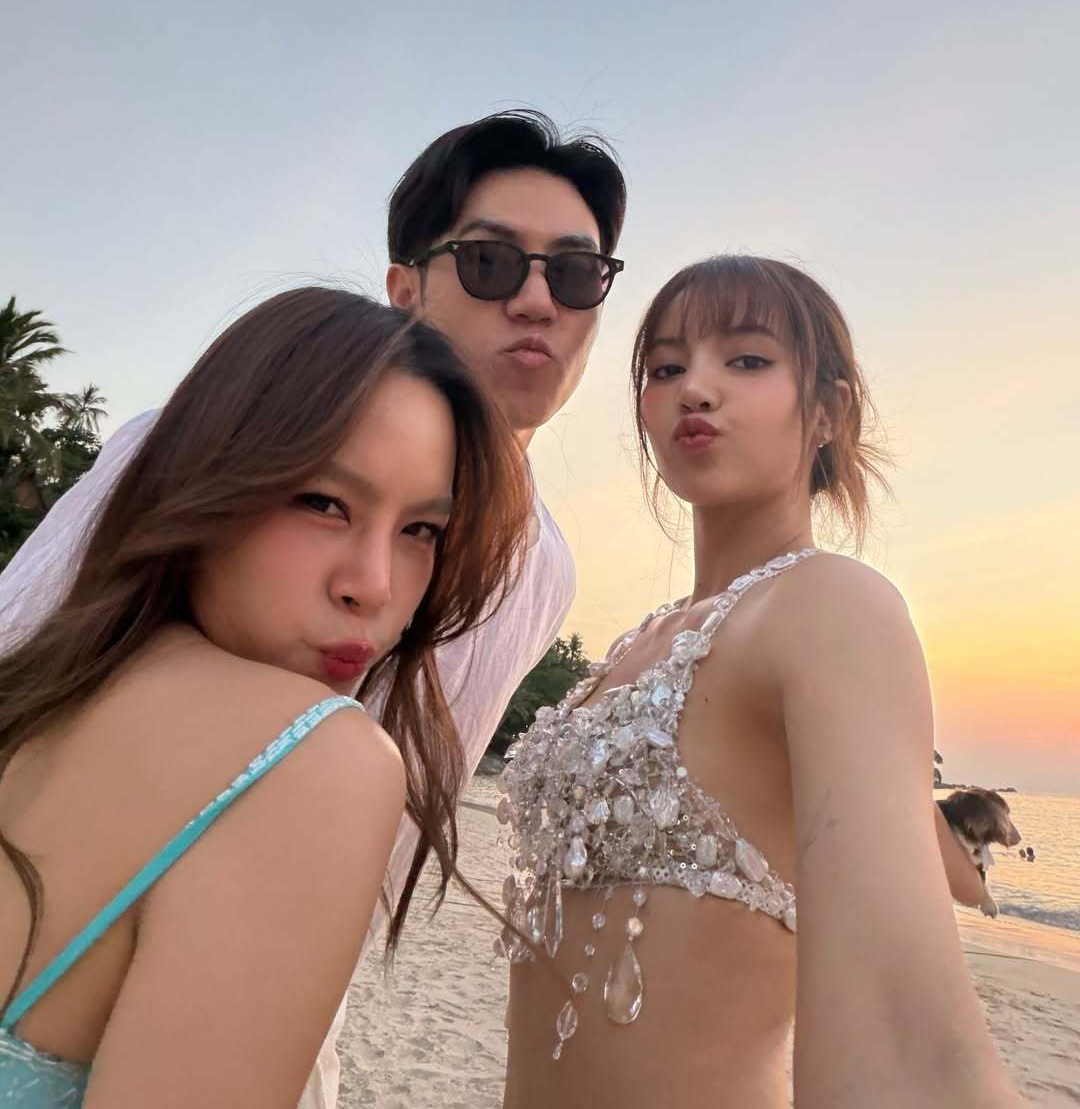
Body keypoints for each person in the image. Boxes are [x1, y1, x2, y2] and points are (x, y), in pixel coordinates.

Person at [0, 110, 629, 1108]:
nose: (538, 300)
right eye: (492, 263)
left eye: (577, 274)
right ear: (404, 288)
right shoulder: (185, 439)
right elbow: (35, 648)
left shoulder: (539, 565)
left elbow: (407, 808)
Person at [500, 255, 1021, 1109]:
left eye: (746, 360)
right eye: (665, 368)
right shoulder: (645, 639)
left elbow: (902, 1031)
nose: (695, 390)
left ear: (827, 412)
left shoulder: (829, 607)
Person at [0, 287, 530, 1107]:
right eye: (322, 503)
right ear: (209, 480)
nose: (374, 585)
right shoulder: (315, 758)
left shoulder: (41, 694)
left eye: (420, 531)